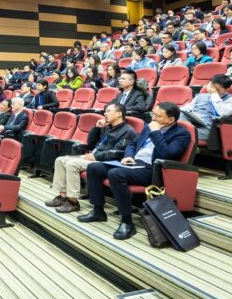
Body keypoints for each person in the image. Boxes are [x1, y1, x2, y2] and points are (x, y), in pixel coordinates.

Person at [78, 102, 192, 240]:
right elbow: (133, 143)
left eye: (157, 116)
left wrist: (156, 132)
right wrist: (128, 156)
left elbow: (166, 154)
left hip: (152, 169)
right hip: (133, 163)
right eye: (152, 114)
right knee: (94, 167)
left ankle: (127, 221)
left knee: (115, 174)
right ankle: (98, 211)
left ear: (171, 120)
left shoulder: (182, 134)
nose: (153, 118)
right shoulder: (148, 126)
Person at [44, 103, 137, 213]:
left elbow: (117, 153)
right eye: (105, 111)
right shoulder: (107, 127)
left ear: (119, 114)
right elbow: (91, 143)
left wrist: (95, 156)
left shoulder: (128, 131)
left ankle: (73, 201)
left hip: (105, 161)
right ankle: (62, 196)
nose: (105, 114)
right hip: (93, 156)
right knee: (60, 160)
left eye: (108, 111)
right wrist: (96, 128)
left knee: (72, 164)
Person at [179, 75, 232, 140]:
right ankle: (184, 131)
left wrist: (214, 95)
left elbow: (223, 113)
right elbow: (186, 109)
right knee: (177, 113)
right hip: (193, 124)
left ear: (227, 89)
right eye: (212, 87)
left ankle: (182, 132)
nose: (214, 90)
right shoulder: (201, 96)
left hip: (209, 130)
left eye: (217, 90)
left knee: (177, 133)